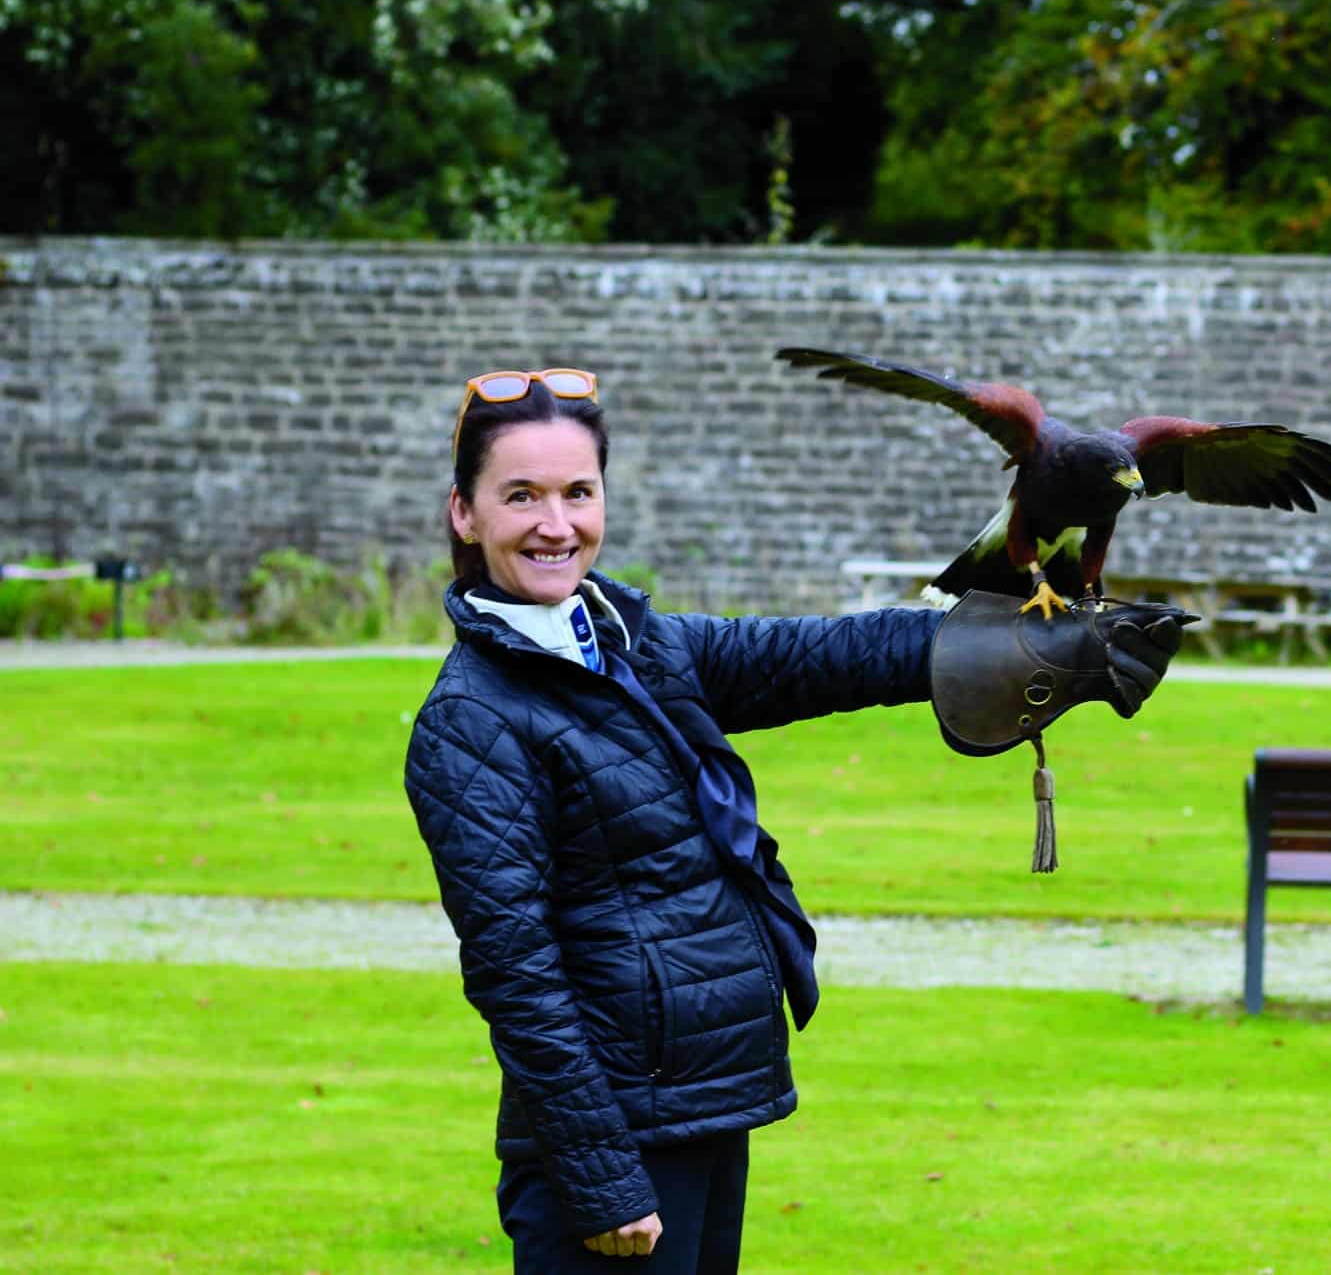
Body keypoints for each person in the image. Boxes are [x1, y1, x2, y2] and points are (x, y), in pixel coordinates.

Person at [404, 368, 1190, 1272]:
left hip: (705, 1101)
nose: (556, 523)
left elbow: (810, 658)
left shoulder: (637, 642)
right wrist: (602, 1181)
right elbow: (516, 975)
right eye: (521, 496)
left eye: (579, 492)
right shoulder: (472, 718)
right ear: (465, 512)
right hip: (612, 1146)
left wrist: (994, 639)